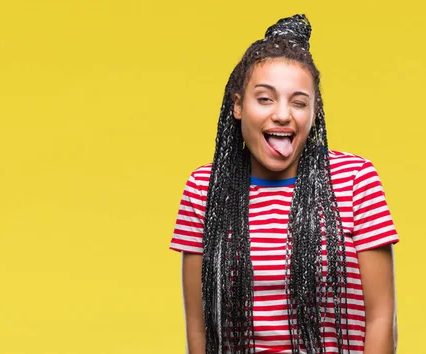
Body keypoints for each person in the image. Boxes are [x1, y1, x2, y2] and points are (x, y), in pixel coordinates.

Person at [169, 14, 399, 354]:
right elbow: (199, 328)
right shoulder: (205, 189)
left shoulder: (354, 179)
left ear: (314, 111)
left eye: (299, 102)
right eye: (265, 98)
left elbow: (382, 318)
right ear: (237, 105)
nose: (282, 114)